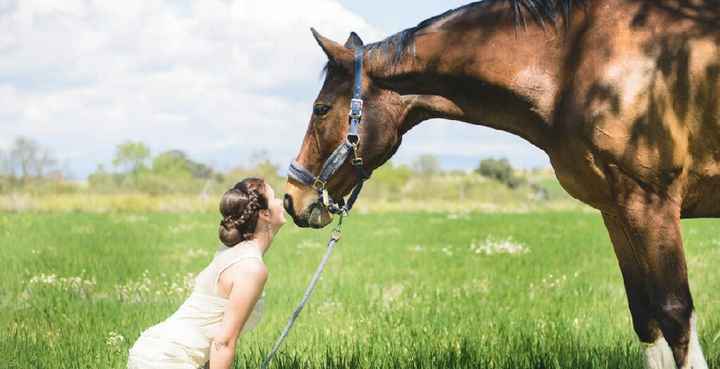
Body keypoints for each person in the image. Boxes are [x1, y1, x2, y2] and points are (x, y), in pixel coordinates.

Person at [128, 177, 286, 369]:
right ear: (265, 214)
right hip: (169, 359)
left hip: (153, 349)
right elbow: (222, 342)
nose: (281, 201)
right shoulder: (251, 268)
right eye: (275, 197)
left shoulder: (233, 252)